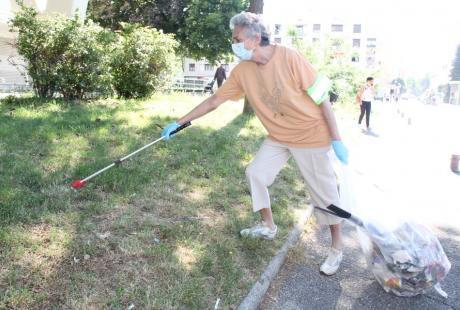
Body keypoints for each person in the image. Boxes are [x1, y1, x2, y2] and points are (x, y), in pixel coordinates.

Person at [162, 12, 349, 276]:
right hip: (279, 136)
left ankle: (337, 248)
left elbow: (322, 97)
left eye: (237, 38)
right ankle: (268, 226)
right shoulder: (243, 71)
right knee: (255, 173)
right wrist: (180, 122)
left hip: (311, 135)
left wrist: (336, 139)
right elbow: (215, 101)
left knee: (325, 195)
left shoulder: (290, 57)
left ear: (255, 38)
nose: (233, 43)